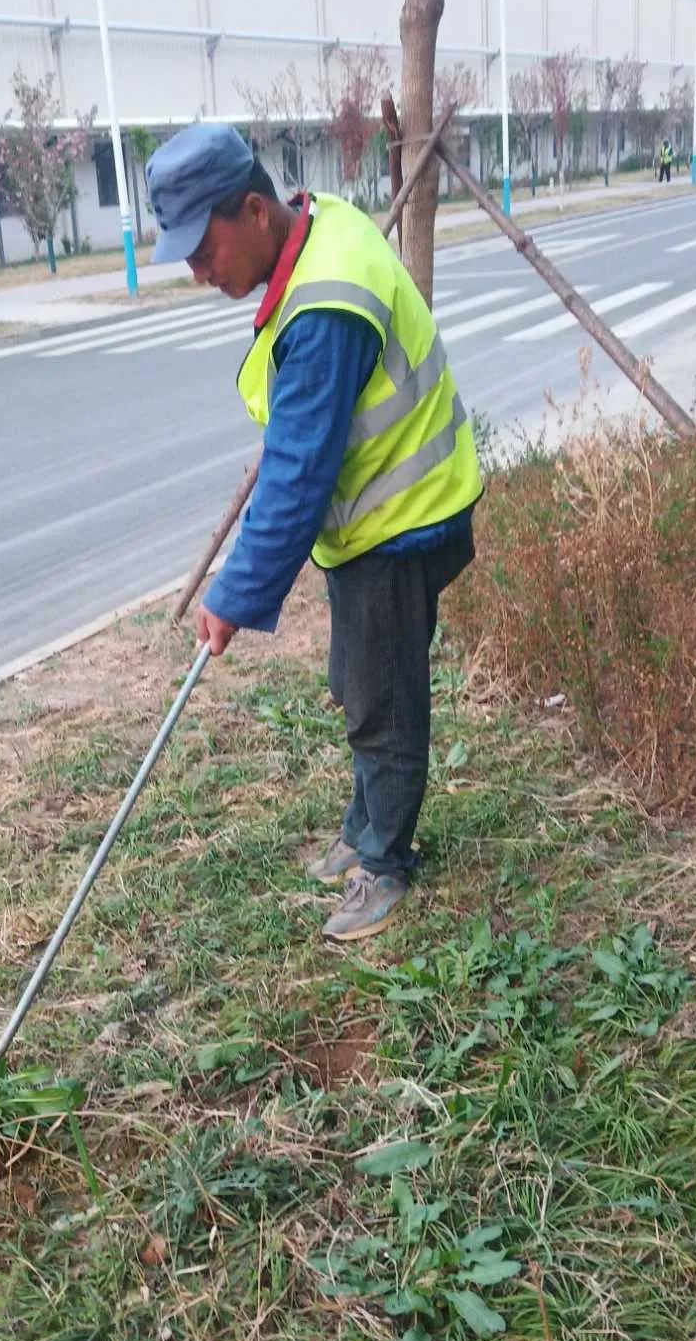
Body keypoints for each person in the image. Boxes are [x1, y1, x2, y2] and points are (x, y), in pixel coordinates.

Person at [145, 123, 482, 942]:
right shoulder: (314, 225)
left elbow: (297, 474)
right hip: (375, 519)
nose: (197, 272)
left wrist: (234, 596)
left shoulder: (326, 303)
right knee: (355, 679)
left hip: (402, 521)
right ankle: (363, 825)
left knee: (381, 699)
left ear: (253, 211)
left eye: (202, 250)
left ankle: (384, 861)